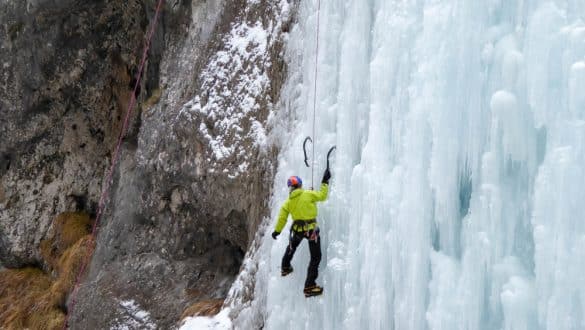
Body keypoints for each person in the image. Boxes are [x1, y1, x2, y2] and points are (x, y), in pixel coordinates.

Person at [271, 168, 331, 297]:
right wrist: (325, 181)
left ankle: (285, 267)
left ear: (291, 188)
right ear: (300, 185)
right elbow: (322, 196)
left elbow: (282, 218)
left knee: (291, 247)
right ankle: (309, 286)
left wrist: (277, 231)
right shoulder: (308, 194)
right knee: (315, 257)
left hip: (297, 231)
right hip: (311, 231)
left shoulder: (288, 202)